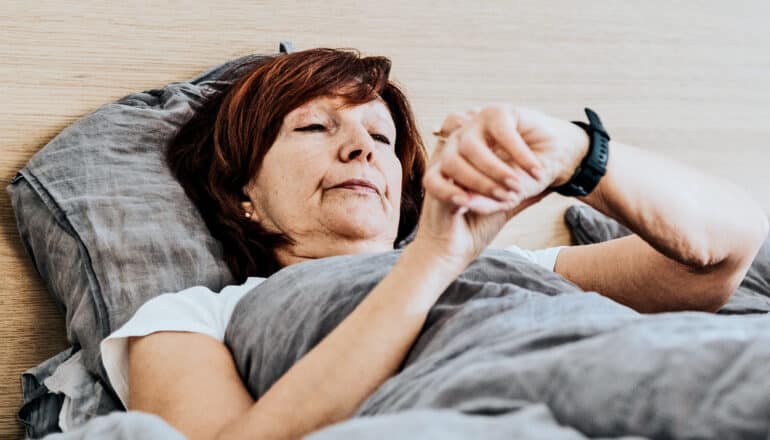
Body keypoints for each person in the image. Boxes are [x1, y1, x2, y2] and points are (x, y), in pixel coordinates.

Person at [98, 48, 768, 440]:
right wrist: (435, 258)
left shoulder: (508, 264)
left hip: (647, 363)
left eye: (382, 139)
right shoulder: (190, 315)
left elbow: (720, 258)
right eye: (314, 129)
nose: (362, 145)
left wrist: (577, 154)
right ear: (243, 190)